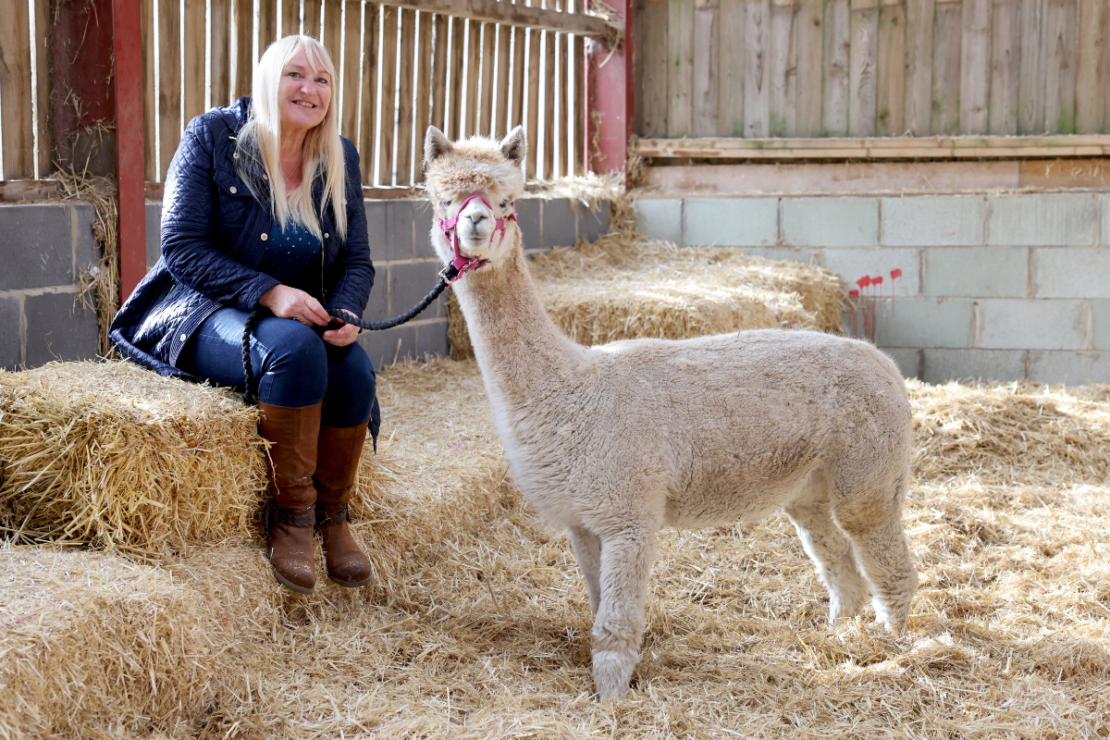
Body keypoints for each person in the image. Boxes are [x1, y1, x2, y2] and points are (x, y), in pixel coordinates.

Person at [110, 35, 378, 595]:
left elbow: (356, 258)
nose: (310, 89)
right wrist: (269, 292)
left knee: (353, 368)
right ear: (267, 81)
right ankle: (294, 518)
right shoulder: (211, 136)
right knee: (294, 350)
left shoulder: (339, 155)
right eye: (295, 75)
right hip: (203, 309)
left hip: (294, 316)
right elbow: (181, 249)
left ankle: (335, 516)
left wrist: (348, 308)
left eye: (322, 80)